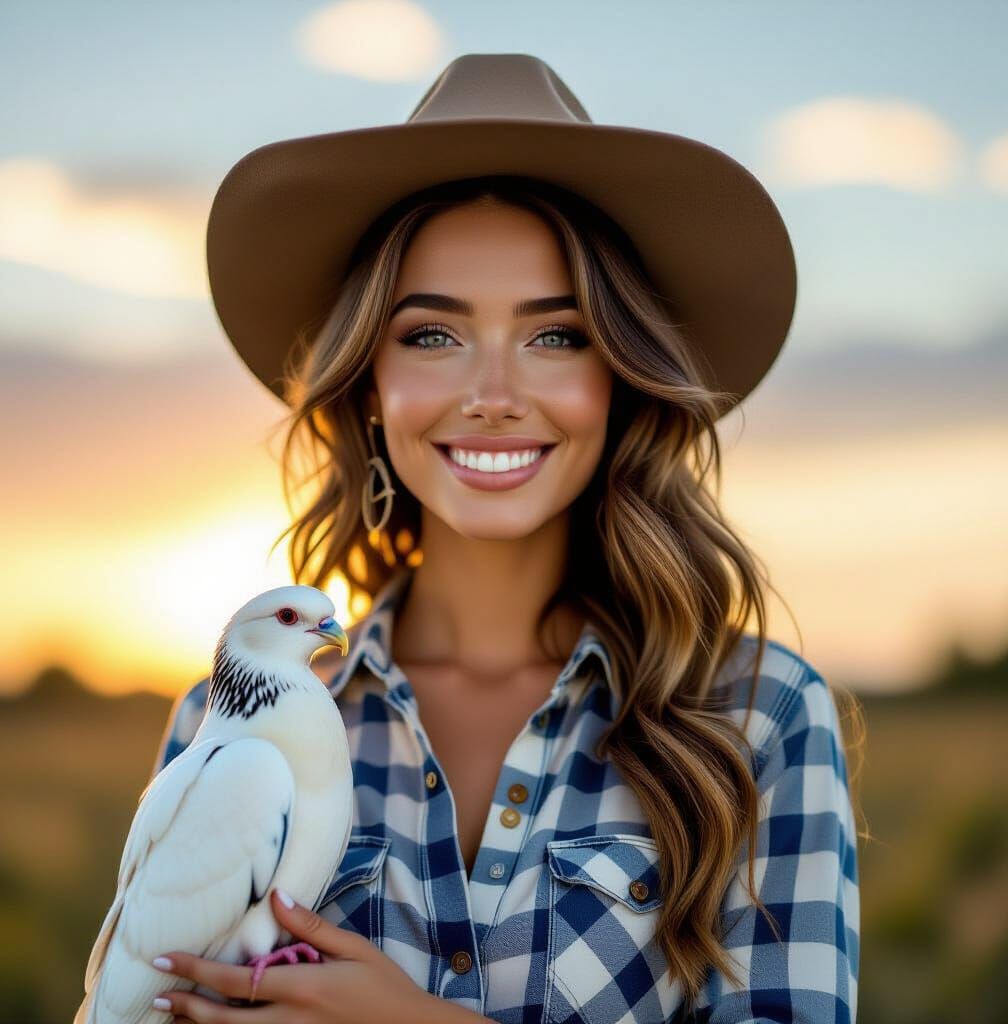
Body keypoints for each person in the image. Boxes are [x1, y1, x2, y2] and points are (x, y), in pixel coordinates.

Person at [149, 54, 863, 1024]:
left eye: (556, 335)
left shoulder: (758, 720)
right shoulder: (229, 727)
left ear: (622, 378)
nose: (491, 396)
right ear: (368, 386)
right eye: (432, 335)